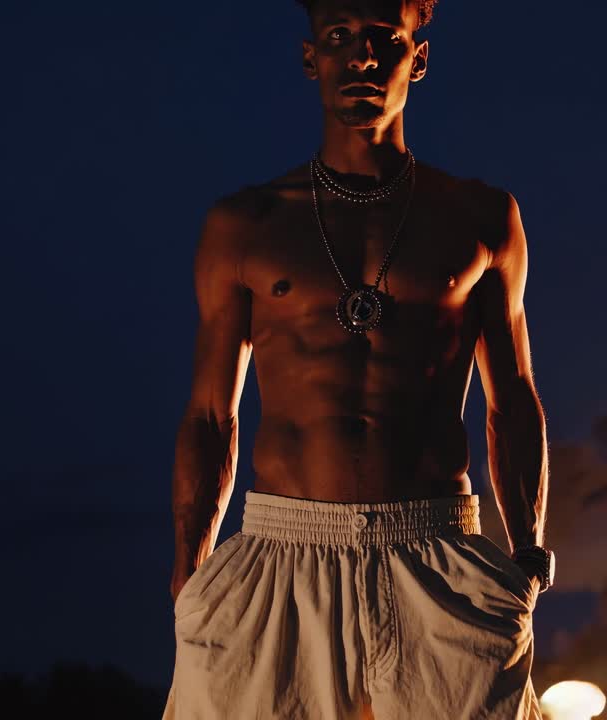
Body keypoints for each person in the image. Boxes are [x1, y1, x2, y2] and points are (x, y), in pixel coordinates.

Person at [164, 1, 553, 717]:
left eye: (384, 40)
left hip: (436, 551)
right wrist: (189, 572)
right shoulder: (245, 225)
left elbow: (515, 395)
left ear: (419, 59)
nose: (363, 58)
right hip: (283, 552)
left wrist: (528, 558)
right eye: (339, 38)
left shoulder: (480, 218)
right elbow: (211, 413)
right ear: (311, 58)